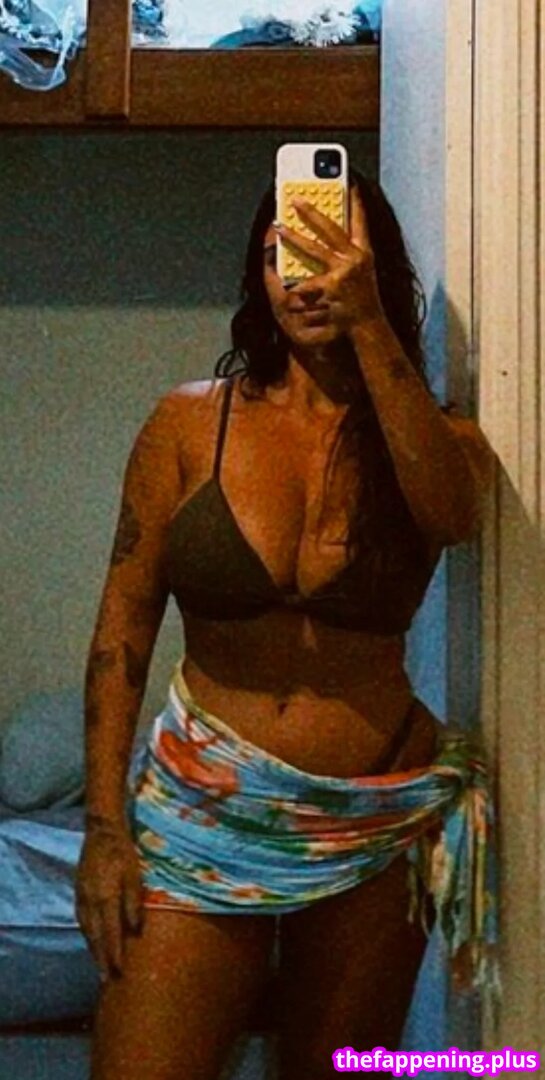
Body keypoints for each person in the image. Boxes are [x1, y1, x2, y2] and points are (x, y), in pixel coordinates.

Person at [75, 167, 498, 1080]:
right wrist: (103, 830)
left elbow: (452, 516)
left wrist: (369, 324)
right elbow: (121, 630)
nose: (303, 279)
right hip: (200, 808)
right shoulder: (187, 423)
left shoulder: (435, 438)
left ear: (374, 269)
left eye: (328, 253)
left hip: (372, 820)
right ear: (256, 277)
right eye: (282, 255)